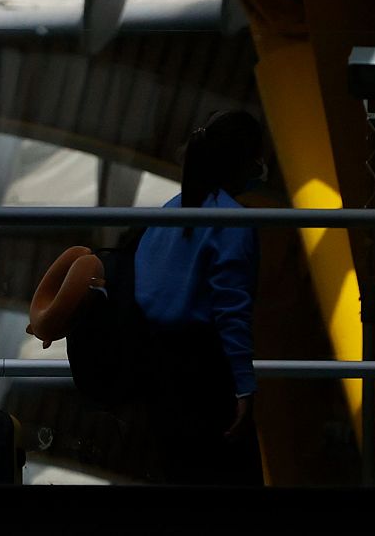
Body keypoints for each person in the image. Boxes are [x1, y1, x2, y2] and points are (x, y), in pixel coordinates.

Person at [133, 109, 265, 486]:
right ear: (242, 160)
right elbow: (231, 311)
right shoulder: (233, 220)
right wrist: (243, 386)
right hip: (205, 375)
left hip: (159, 374)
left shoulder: (168, 212)